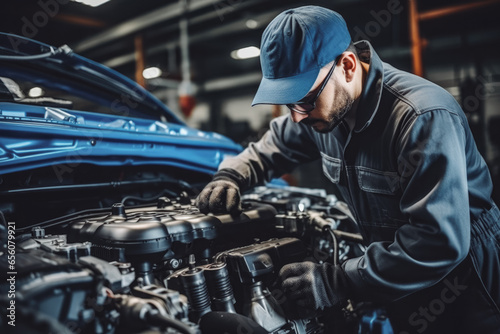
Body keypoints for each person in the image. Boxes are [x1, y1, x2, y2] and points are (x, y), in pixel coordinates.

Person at [196, 5, 500, 333]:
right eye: (288, 103)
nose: (297, 116)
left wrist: (340, 280)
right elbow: (274, 144)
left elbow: (439, 241)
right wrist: (233, 174)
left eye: (304, 99)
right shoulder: (321, 113)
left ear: (348, 66)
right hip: (394, 276)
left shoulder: (420, 117)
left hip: (462, 286)